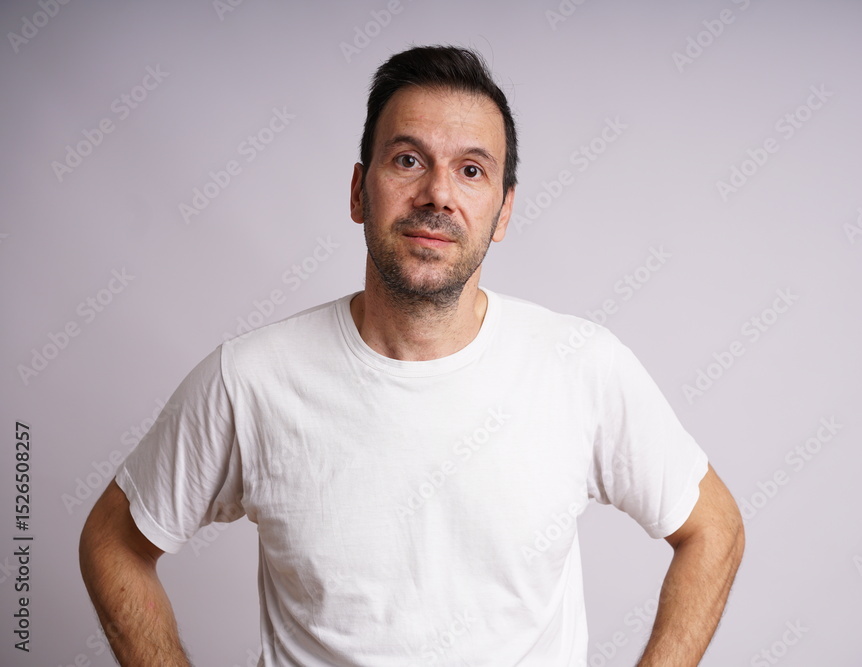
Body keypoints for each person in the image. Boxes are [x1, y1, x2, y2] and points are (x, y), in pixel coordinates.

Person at [79, 45, 745, 666]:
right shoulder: (250, 380)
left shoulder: (581, 367)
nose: (438, 194)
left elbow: (714, 528)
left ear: (503, 212)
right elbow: (113, 544)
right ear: (357, 191)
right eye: (407, 160)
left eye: (472, 170)